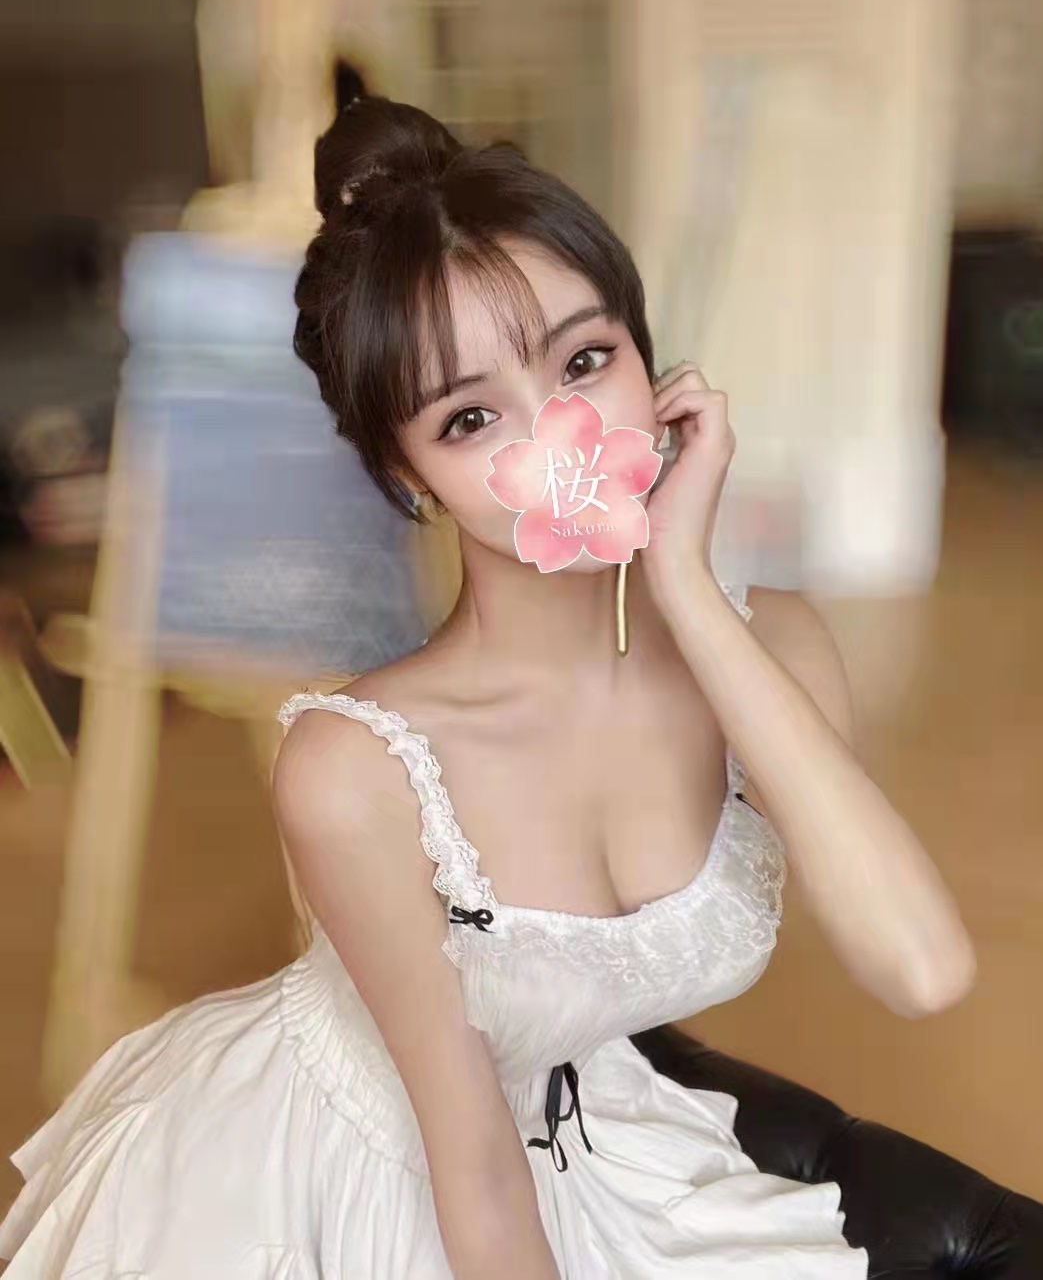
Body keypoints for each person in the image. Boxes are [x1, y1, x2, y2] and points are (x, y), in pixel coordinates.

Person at [0, 92, 976, 1279]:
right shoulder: (355, 769)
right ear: (408, 475)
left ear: (655, 368)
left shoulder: (770, 642)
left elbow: (922, 968)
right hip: (362, 1179)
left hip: (586, 1133)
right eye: (470, 418)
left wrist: (687, 588)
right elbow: (469, 1167)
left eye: (586, 360)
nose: (559, 439)